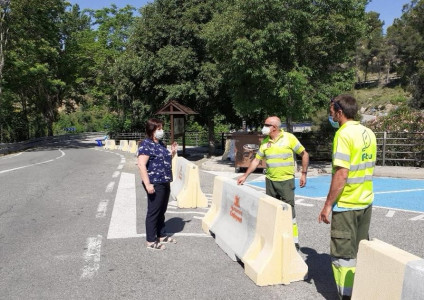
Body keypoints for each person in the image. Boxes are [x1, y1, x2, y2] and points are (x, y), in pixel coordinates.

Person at [318, 95, 377, 299]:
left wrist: (327, 205)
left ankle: (347, 295)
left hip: (347, 204)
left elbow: (342, 174)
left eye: (331, 111)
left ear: (340, 112)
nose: (330, 115)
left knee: (343, 256)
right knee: (359, 251)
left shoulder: (343, 135)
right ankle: (362, 291)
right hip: (365, 201)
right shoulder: (368, 132)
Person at [237, 116, 309, 249]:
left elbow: (304, 154)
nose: (263, 127)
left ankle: (294, 241)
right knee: (272, 211)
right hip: (270, 182)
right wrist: (245, 175)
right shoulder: (265, 142)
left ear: (274, 127)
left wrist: (303, 173)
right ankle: (273, 239)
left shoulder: (289, 138)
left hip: (286, 182)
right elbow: (256, 161)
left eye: (266, 124)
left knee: (289, 212)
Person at [138, 118, 178, 250]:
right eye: (159, 129)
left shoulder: (161, 144)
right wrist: (148, 184)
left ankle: (161, 235)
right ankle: (150, 241)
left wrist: (171, 153)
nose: (161, 131)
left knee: (162, 210)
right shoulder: (146, 144)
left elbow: (163, 161)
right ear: (152, 130)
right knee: (154, 211)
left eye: (161, 128)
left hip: (165, 180)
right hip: (155, 182)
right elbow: (141, 165)